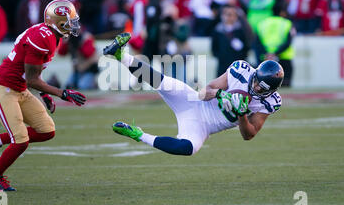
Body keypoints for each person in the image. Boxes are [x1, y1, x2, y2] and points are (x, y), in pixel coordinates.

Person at [103, 32, 283, 156]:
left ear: (271, 91)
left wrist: (242, 114)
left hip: (203, 125)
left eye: (262, 88)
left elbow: (248, 135)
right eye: (257, 81)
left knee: (187, 148)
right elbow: (205, 91)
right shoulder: (241, 69)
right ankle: (121, 55)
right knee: (163, 82)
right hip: (193, 101)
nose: (257, 87)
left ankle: (137, 134)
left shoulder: (270, 102)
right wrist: (221, 94)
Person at [0, 0, 87, 191]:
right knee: (20, 140)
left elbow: (33, 73)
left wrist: (45, 95)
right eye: (70, 21)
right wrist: (61, 93)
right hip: (3, 87)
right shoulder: (43, 38)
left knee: (46, 130)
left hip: (20, 88)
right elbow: (31, 79)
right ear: (58, 21)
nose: (73, 25)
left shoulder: (50, 34)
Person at [255, 0, 296, 87]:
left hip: (265, 60)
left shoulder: (262, 23)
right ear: (282, 12)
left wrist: (268, 54)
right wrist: (275, 54)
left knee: (264, 87)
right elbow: (288, 42)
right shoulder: (287, 23)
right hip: (284, 59)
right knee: (285, 86)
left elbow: (257, 43)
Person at [211, 5, 250, 77]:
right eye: (226, 14)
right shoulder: (218, 30)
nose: (229, 17)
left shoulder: (241, 30)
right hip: (223, 67)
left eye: (232, 15)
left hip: (238, 68)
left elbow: (247, 47)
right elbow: (214, 48)